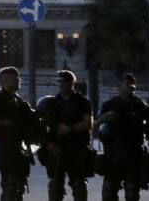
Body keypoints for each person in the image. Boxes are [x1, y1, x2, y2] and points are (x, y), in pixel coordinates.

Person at [96, 73, 149, 201]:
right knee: (108, 193)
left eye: (132, 84)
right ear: (119, 86)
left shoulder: (140, 105)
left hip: (133, 155)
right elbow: (95, 124)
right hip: (113, 154)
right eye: (127, 83)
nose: (131, 86)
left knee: (132, 194)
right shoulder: (109, 105)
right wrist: (104, 118)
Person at [0, 67, 43, 201]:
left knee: (19, 187)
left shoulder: (18, 100)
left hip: (20, 149)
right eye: (15, 78)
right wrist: (10, 123)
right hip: (7, 149)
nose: (19, 80)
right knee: (10, 187)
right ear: (5, 81)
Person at [40, 70, 94, 201]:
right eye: (59, 81)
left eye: (65, 81)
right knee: (55, 187)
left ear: (72, 83)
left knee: (79, 185)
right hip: (56, 147)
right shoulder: (51, 102)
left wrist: (70, 129)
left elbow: (88, 123)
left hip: (77, 147)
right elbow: (41, 126)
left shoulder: (82, 101)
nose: (61, 84)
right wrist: (48, 144)